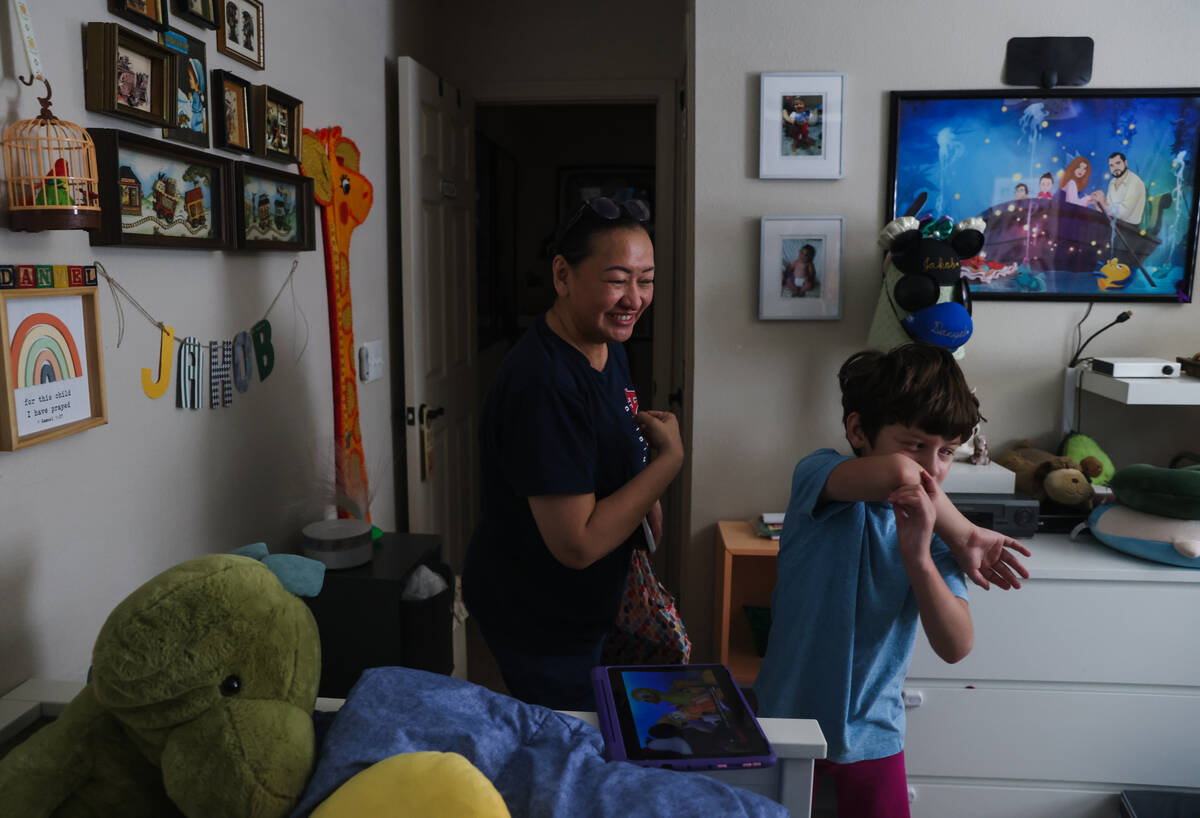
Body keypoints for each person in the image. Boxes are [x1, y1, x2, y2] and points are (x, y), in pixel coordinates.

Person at [754, 344, 1031, 817]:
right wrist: (965, 533)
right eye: (915, 443)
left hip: (876, 736)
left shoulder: (937, 535)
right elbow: (901, 474)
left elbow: (955, 645)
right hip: (786, 724)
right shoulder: (819, 475)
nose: (934, 468)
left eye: (946, 451)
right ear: (858, 430)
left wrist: (919, 558)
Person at [462, 197, 683, 711]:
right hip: (541, 619)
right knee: (572, 751)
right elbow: (577, 544)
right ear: (563, 276)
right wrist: (669, 463)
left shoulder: (609, 346)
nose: (635, 298)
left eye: (645, 279)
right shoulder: (543, 384)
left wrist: (645, 472)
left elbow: (621, 438)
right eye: (618, 279)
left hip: (594, 604)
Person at [1090, 152, 1146, 226]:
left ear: (1125, 163)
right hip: (1113, 224)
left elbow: (1123, 213)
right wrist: (1098, 204)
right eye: (1111, 165)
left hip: (1129, 230)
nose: (1115, 168)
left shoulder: (1135, 183)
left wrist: (1103, 203)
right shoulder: (1112, 182)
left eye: (1118, 163)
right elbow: (1109, 210)